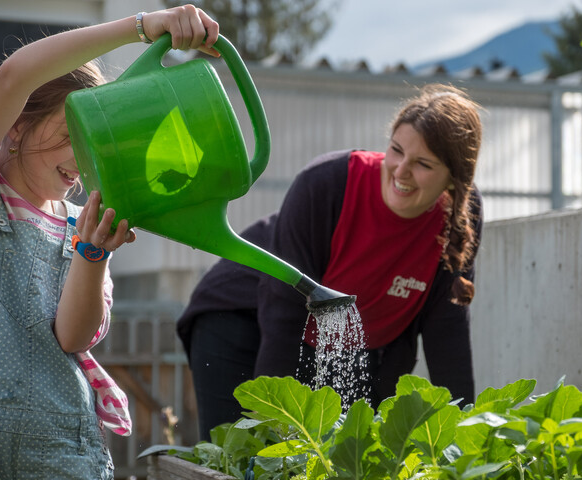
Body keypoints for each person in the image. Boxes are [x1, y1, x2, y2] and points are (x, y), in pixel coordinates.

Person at [0, 5, 219, 478]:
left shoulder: (79, 224)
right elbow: (12, 77)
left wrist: (92, 255)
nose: (80, 158)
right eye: (69, 134)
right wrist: (143, 27)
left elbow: (73, 337)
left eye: (91, 142)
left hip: (60, 445)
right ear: (18, 124)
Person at [177, 83, 484, 441]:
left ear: (454, 179)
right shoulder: (327, 183)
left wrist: (468, 446)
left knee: (350, 458)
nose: (401, 171)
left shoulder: (460, 215)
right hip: (242, 318)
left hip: (340, 344)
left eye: (423, 164)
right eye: (396, 151)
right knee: (242, 455)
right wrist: (271, 429)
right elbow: (283, 316)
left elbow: (448, 337)